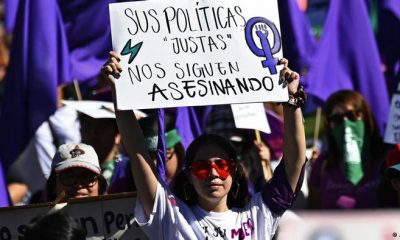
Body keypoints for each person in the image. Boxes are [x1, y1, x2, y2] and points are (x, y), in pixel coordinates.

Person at [102, 52, 306, 239]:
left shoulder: (258, 215)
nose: (213, 173)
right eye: (202, 167)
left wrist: (291, 100)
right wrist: (120, 89)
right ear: (189, 174)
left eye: (222, 165)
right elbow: (138, 152)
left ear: (234, 171)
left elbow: (294, 164)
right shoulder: (170, 215)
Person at [308, 90, 386, 209]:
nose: (345, 123)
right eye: (336, 118)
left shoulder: (386, 160)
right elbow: (314, 211)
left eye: (351, 115)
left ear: (364, 115)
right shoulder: (322, 164)